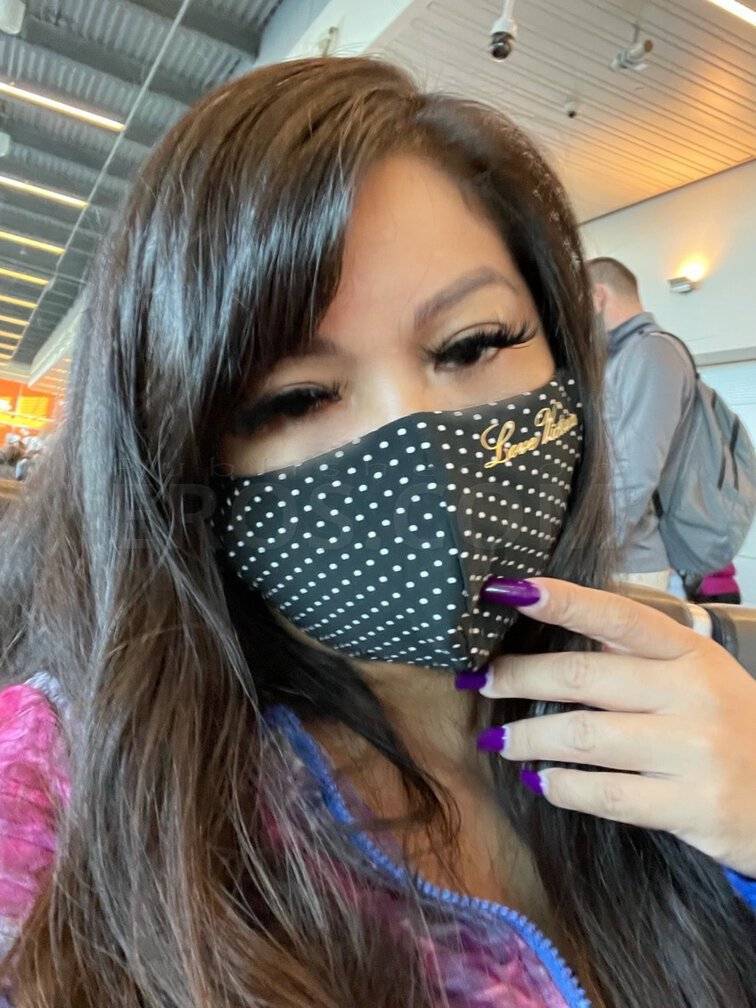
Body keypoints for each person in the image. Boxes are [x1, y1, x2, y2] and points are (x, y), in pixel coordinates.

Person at [0, 58, 753, 1008]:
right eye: (297, 398)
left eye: (474, 345)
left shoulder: (689, 701)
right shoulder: (58, 791)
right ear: (181, 447)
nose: (419, 446)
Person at [586, 257, 696, 594]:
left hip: (628, 567)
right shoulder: (620, 357)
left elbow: (634, 471)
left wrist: (585, 553)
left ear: (597, 297)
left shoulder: (650, 351)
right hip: (617, 563)